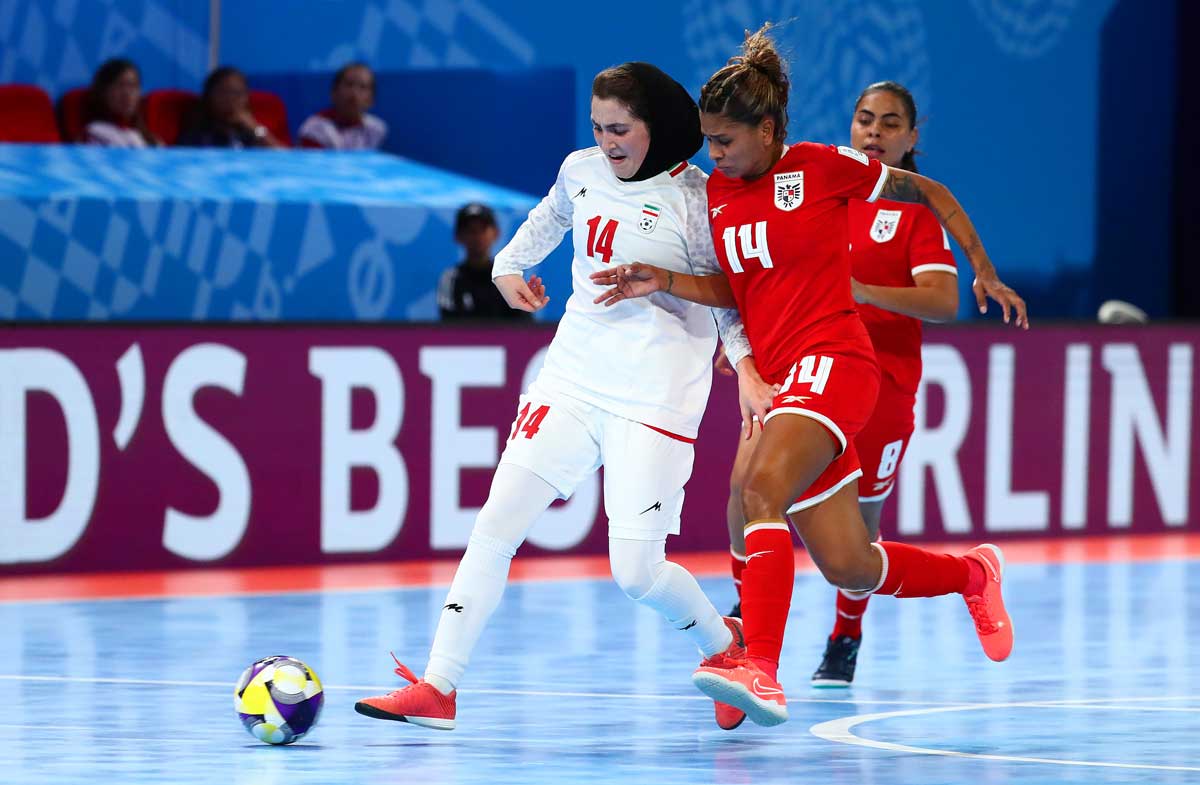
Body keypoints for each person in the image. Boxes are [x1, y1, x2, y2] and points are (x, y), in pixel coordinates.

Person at [591, 24, 1027, 729]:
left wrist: (984, 268)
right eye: (707, 140)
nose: (713, 154)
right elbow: (739, 288)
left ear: (767, 131)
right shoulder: (720, 192)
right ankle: (973, 573)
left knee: (757, 487)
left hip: (837, 361)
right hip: (784, 374)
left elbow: (929, 191)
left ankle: (757, 663)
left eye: (725, 140)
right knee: (848, 563)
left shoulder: (821, 167)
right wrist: (663, 279)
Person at [354, 62, 765, 731]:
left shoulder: (696, 198)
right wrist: (508, 268)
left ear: (656, 126)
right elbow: (545, 221)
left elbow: (727, 294)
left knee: (637, 572)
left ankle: (724, 647)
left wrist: (745, 365)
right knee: (495, 526)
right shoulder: (581, 170)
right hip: (571, 378)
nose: (606, 141)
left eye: (620, 128)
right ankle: (438, 686)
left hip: (654, 398)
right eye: (598, 126)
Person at [719, 81, 998, 689]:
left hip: (879, 386)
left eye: (890, 123)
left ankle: (845, 635)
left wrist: (863, 290)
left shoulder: (909, 213)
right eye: (865, 119)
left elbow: (944, 301)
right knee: (747, 485)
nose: (874, 131)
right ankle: (746, 632)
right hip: (798, 372)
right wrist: (743, 345)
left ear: (911, 136)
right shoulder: (816, 187)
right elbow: (761, 276)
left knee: (857, 540)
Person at [438, 203, 532, 322]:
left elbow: (525, 324)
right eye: (470, 230)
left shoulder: (508, 277)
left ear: (496, 233)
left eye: (483, 229)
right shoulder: (450, 279)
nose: (477, 236)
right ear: (458, 236)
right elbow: (449, 326)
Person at [177, 66, 284, 149]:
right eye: (224, 92)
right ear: (209, 96)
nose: (231, 99)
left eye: (238, 93)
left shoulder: (252, 134)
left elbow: (285, 159)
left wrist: (254, 127)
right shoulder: (196, 135)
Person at [297, 62, 388, 150]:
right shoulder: (314, 129)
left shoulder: (377, 129)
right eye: (349, 85)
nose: (354, 93)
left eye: (363, 87)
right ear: (334, 92)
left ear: (371, 99)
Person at [82, 58, 161, 147]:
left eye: (133, 85)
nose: (127, 93)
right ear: (103, 91)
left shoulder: (149, 138)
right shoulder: (94, 133)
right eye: (120, 85)